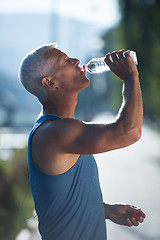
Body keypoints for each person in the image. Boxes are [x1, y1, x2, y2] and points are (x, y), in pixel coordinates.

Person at [19, 43, 146, 240]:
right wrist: (131, 77)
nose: (76, 61)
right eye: (65, 61)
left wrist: (104, 210)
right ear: (50, 82)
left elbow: (59, 198)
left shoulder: (60, 129)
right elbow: (129, 131)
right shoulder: (55, 132)